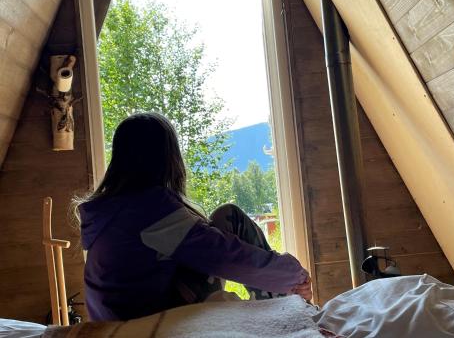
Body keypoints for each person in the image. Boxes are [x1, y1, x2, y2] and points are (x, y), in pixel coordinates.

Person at [77, 112, 312, 321]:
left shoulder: (108, 211)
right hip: (146, 323)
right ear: (167, 159)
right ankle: (289, 317)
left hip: (113, 323)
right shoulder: (149, 210)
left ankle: (287, 299)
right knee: (231, 217)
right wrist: (294, 275)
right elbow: (224, 255)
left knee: (214, 229)